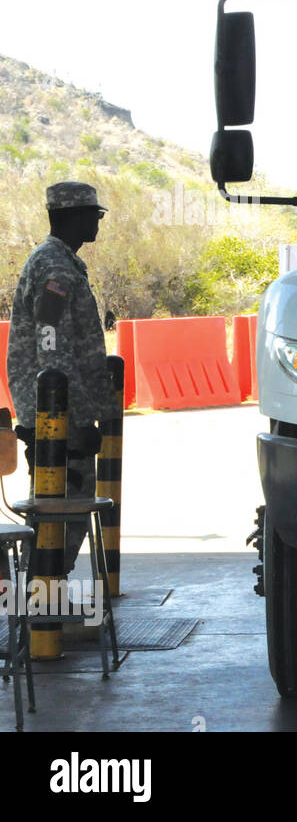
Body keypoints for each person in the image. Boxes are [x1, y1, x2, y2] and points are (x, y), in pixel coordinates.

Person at [8, 181, 113, 575]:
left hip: (55, 412)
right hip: (57, 416)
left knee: (58, 515)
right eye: (94, 215)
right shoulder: (54, 268)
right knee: (62, 515)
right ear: (74, 216)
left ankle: (45, 612)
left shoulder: (59, 261)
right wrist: (81, 419)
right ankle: (43, 615)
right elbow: (53, 351)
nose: (97, 224)